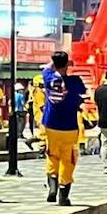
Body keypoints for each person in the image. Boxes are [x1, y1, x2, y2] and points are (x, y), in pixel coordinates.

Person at [40, 51, 85, 205]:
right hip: (69, 126)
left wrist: (54, 63)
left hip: (51, 124)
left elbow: (47, 68)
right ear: (67, 64)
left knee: (52, 155)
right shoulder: (75, 81)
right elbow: (83, 94)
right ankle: (63, 195)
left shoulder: (48, 79)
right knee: (68, 159)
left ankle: (52, 187)